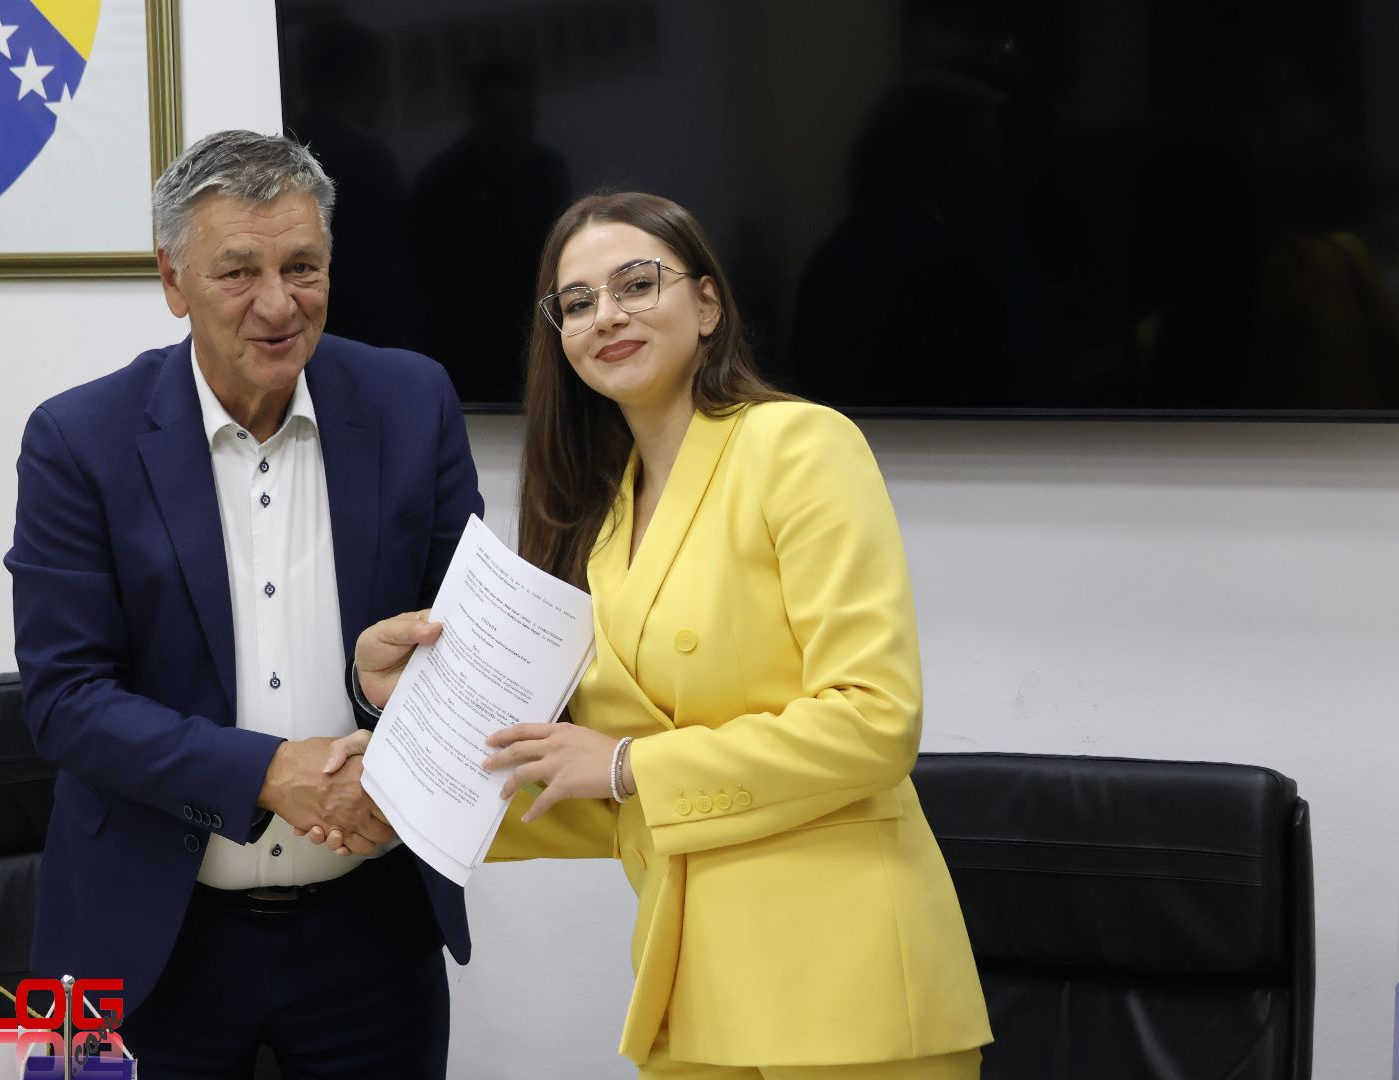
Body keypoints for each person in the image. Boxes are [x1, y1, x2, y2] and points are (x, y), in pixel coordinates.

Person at [345, 192, 992, 1078]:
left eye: (637, 284)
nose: (606, 315)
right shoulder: (602, 521)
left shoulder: (799, 444)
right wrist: (400, 766)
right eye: (577, 302)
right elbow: (596, 782)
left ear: (709, 304)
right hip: (691, 998)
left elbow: (874, 722)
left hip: (848, 990)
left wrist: (626, 765)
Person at [5, 129, 483, 1080]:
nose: (278, 303)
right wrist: (270, 773)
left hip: (371, 937)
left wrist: (390, 739)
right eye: (238, 272)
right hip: (153, 939)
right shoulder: (80, 440)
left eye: (303, 266)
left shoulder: (411, 402)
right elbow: (65, 699)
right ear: (173, 280)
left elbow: (464, 650)